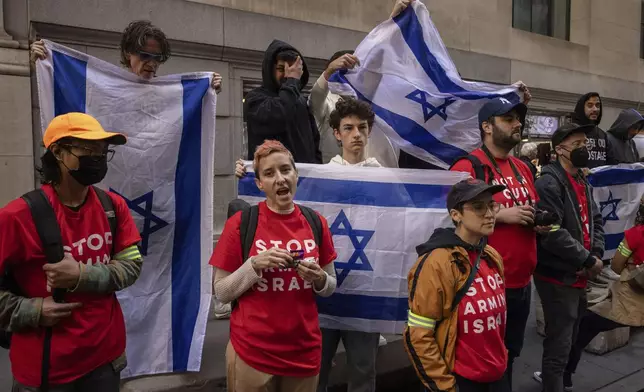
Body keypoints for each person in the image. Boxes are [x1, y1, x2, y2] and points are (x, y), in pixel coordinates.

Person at [0, 113, 143, 391]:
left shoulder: (113, 206)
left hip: (106, 361)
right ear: (57, 152)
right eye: (88, 149)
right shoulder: (16, 216)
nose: (98, 158)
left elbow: (131, 267)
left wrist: (80, 275)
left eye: (103, 151)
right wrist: (32, 310)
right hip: (45, 373)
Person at [211, 140, 337, 392]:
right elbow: (221, 292)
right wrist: (254, 265)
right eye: (269, 173)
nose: (280, 179)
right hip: (252, 354)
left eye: (285, 170)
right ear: (259, 183)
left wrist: (320, 278)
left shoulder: (316, 222)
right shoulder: (241, 223)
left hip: (304, 354)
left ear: (296, 175)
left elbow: (331, 286)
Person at [450, 97, 546, 389]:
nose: (517, 124)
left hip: (521, 282)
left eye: (518, 120)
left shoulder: (523, 167)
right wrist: (504, 215)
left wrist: (539, 222)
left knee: (511, 355)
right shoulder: (467, 166)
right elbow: (453, 219)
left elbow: (529, 208)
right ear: (487, 127)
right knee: (482, 363)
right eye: (508, 119)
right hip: (485, 287)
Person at [404, 178, 509, 392]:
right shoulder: (436, 263)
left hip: (497, 376)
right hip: (461, 380)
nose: (489, 214)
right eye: (479, 207)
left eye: (491, 205)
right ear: (456, 215)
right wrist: (445, 387)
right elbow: (418, 336)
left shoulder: (491, 256)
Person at [534, 203, 644, 391]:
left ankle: (564, 376)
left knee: (584, 325)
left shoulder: (635, 234)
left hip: (632, 302)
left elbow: (616, 265)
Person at [533, 123, 605, 392]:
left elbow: (595, 219)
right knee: (559, 344)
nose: (584, 149)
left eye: (585, 144)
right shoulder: (548, 183)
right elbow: (551, 232)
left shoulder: (582, 180)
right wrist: (587, 261)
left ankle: (560, 383)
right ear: (560, 149)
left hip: (580, 271)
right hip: (557, 276)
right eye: (577, 145)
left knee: (572, 336)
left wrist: (594, 255)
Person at [308, 0, 415, 168]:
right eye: (348, 128)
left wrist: (394, 21)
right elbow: (315, 97)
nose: (356, 134)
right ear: (337, 132)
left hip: (385, 179)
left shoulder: (377, 98)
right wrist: (328, 71)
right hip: (340, 180)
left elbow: (380, 58)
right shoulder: (328, 104)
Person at [30, 20, 223, 92]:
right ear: (128, 53)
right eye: (145, 55)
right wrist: (44, 63)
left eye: (158, 58)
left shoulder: (170, 92)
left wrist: (207, 89)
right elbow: (67, 88)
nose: (152, 63)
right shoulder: (104, 86)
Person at [244, 40, 321, 164]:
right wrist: (291, 82)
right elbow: (278, 116)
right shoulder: (255, 98)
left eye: (292, 70)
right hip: (272, 177)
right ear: (270, 69)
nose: (287, 74)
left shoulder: (301, 100)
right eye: (281, 68)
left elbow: (314, 142)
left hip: (304, 178)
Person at [571, 93, 608, 168]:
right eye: (590, 105)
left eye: (597, 105)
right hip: (578, 178)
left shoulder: (603, 134)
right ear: (582, 108)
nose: (595, 109)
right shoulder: (572, 132)